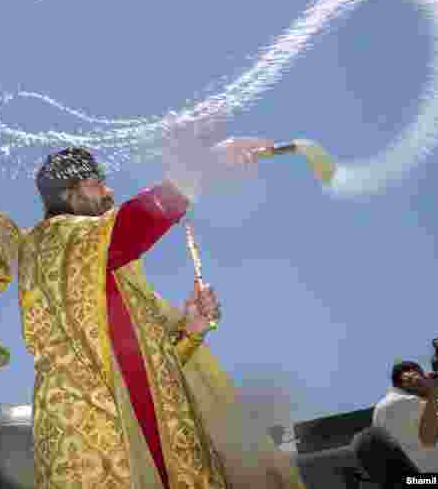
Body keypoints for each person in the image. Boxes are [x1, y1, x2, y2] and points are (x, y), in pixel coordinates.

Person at [17, 141, 304, 489]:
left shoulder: (116, 274)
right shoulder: (50, 243)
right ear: (68, 194)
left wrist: (192, 329)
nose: (109, 192)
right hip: (96, 443)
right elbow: (130, 225)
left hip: (160, 447)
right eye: (96, 183)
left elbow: (154, 369)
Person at [362, 360, 438, 483]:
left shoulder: (380, 408)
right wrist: (432, 392)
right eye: (423, 376)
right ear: (409, 378)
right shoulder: (410, 402)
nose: (426, 380)